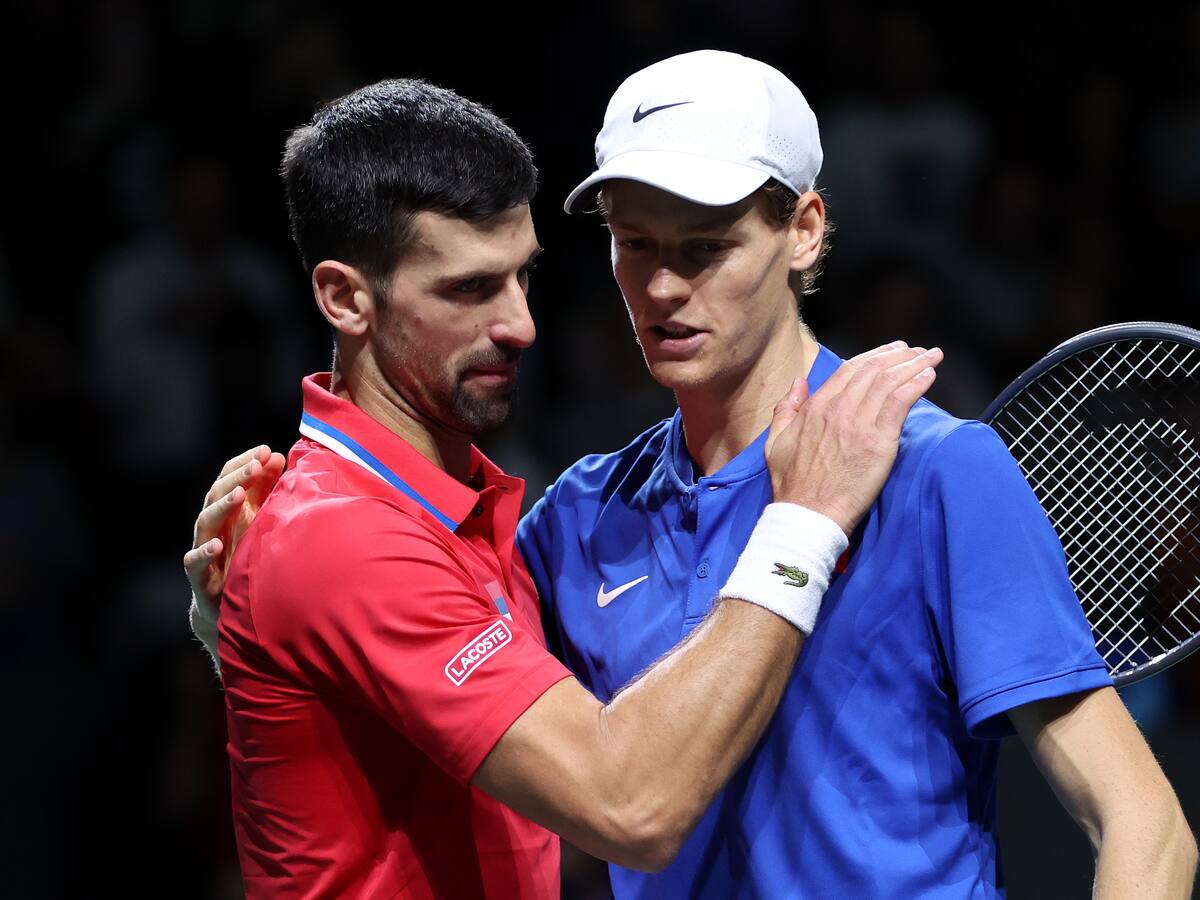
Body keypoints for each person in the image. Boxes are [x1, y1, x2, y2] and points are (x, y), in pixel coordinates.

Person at [190, 54, 1197, 897]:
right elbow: (531, 771)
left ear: (804, 230)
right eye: (636, 247)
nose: (665, 288)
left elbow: (1146, 825)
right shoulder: (576, 518)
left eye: (707, 248)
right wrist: (259, 626)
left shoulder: (936, 472)